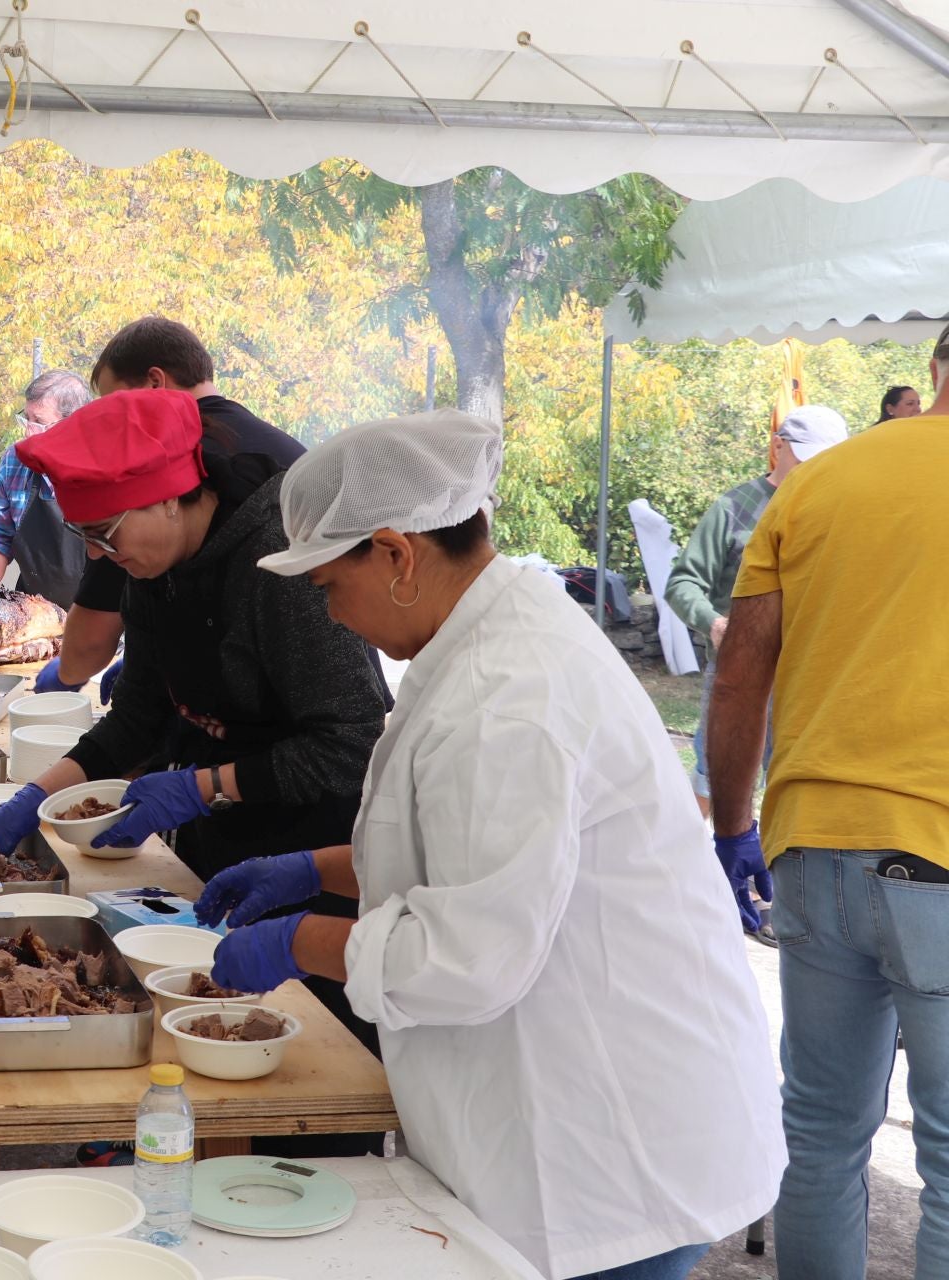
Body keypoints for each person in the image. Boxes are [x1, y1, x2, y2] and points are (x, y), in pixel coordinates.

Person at [199, 410, 783, 1280]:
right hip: (576, 1103)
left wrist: (297, 942)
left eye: (328, 587)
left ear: (396, 555)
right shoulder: (488, 636)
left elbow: (469, 956)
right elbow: (461, 850)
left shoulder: (508, 695)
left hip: (611, 1148)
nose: (330, 612)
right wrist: (306, 873)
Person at [0, 389, 388, 1092]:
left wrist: (205, 786)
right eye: (87, 541)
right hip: (219, 855)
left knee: (307, 1082)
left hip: (320, 858)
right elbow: (136, 720)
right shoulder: (151, 571)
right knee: (182, 1071)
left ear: (168, 498)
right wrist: (35, 797)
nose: (101, 556)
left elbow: (352, 742)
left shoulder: (279, 565)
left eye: (106, 535)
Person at [709, 338, 949, 1279]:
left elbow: (739, 676)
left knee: (817, 1138)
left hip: (811, 847)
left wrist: (734, 828)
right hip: (937, 856)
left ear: (935, 370)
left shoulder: (815, 484)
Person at [33, 315, 304, 699]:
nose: (111, 429)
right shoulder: (288, 452)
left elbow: (91, 642)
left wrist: (67, 674)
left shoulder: (151, 471)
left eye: (117, 406)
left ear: (155, 383)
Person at [663, 405, 848, 865]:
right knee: (715, 779)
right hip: (740, 672)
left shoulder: (842, 509)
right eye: (807, 457)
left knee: (793, 785)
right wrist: (715, 624)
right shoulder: (734, 508)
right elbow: (683, 583)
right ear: (779, 447)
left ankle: (771, 897)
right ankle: (673, 872)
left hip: (810, 676)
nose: (815, 469)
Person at [0, 368, 95, 606]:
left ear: (74, 424)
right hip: (33, 610)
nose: (28, 431)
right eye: (26, 418)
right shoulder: (15, 461)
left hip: (96, 614)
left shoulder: (101, 470)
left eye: (39, 422)